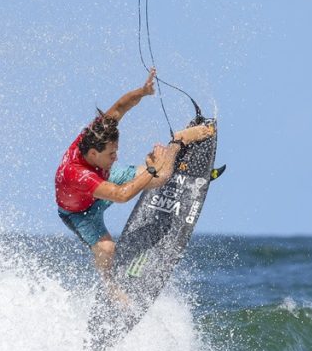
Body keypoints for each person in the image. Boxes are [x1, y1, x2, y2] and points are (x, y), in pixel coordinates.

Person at [55, 69, 214, 283]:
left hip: (107, 182)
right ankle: (110, 286)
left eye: (116, 150)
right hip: (81, 213)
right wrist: (150, 168)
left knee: (161, 177)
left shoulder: (97, 133)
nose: (116, 156)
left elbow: (121, 107)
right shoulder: (79, 174)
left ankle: (176, 144)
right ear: (93, 154)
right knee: (107, 248)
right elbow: (121, 195)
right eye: (111, 154)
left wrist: (143, 91)